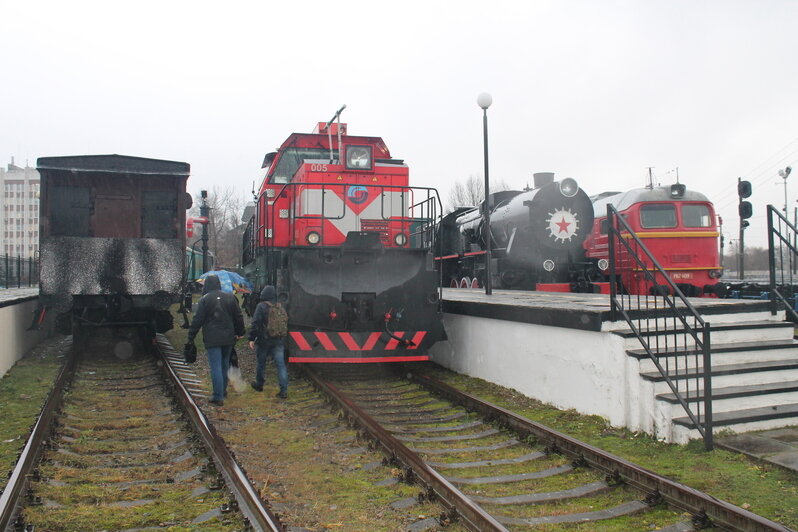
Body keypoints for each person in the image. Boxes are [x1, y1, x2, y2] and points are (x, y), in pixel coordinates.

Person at [185, 274, 245, 406]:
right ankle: (222, 391)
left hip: (212, 338)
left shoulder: (205, 300)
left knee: (215, 366)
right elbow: (238, 316)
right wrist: (240, 332)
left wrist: (191, 336)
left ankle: (218, 396)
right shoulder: (230, 298)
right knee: (224, 366)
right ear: (218, 284)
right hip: (228, 338)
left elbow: (198, 320)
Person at [248, 285, 288, 399]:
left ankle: (259, 384)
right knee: (281, 365)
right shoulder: (279, 306)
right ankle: (284, 390)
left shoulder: (261, 306)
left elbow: (255, 323)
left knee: (261, 363)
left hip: (263, 340)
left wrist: (251, 338)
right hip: (278, 340)